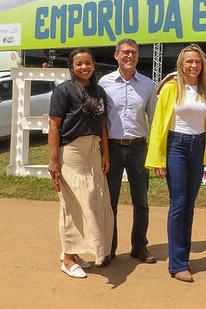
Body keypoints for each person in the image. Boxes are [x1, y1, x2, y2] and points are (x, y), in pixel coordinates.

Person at [145, 44, 206, 282]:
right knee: (178, 203)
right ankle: (177, 264)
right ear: (181, 64)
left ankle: (183, 258)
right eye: (189, 61)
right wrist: (158, 158)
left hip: (197, 148)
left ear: (202, 66)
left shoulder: (205, 91)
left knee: (189, 204)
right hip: (176, 147)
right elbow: (159, 124)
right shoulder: (170, 89)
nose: (193, 65)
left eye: (197, 62)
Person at [47, 48, 115, 279]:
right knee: (74, 203)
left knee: (94, 201)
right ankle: (67, 258)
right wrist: (54, 160)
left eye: (88, 63)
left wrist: (105, 155)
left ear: (94, 65)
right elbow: (54, 125)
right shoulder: (63, 90)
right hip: (72, 151)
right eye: (79, 64)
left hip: (93, 151)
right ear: (72, 67)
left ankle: (76, 251)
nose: (84, 67)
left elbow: (103, 125)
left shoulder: (99, 91)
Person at [99, 39, 157, 266]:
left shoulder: (148, 85)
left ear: (137, 56)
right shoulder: (104, 84)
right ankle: (108, 249)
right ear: (116, 56)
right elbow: (101, 119)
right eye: (125, 52)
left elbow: (155, 121)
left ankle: (139, 247)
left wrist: (155, 151)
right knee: (109, 202)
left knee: (141, 201)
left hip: (138, 148)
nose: (129, 56)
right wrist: (102, 152)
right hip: (111, 149)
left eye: (133, 52)